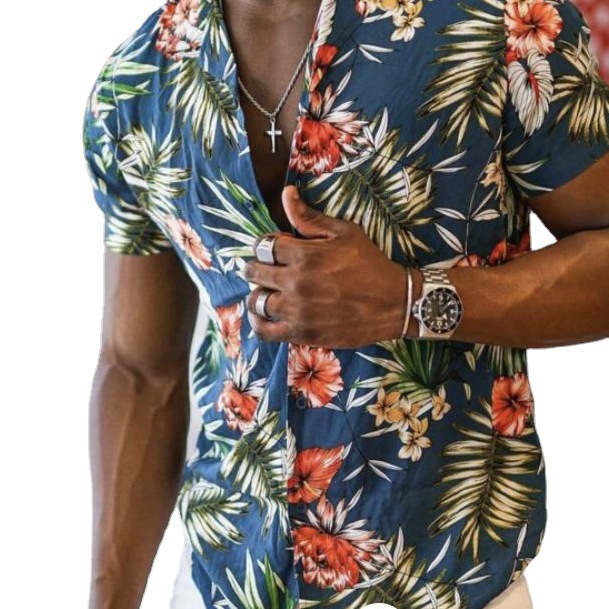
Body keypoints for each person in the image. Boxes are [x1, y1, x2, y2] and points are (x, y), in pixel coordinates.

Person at [81, 1, 609, 608]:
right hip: (221, 579)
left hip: (445, 582)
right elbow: (139, 370)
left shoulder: (498, 21)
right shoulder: (136, 83)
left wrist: (411, 299)